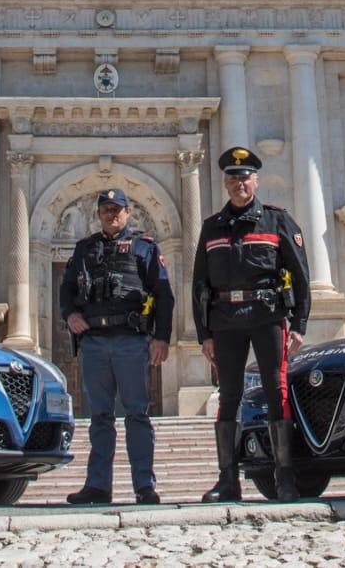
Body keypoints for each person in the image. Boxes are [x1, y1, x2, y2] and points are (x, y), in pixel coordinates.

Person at [192, 146, 310, 502]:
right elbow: (199, 283)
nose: (238, 183)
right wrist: (204, 334)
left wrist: (299, 324)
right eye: (232, 177)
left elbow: (300, 277)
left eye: (244, 177)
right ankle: (228, 481)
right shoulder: (212, 227)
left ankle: (285, 477)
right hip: (225, 322)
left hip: (267, 318)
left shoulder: (277, 221)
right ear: (225, 183)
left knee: (276, 392)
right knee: (228, 396)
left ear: (255, 181)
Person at [58, 188, 173, 505]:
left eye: (117, 209)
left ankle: (144, 486)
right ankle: (97, 485)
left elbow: (163, 296)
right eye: (106, 209)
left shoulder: (144, 248)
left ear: (128, 213)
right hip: (94, 342)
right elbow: (66, 290)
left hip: (130, 340)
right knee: (100, 417)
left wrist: (161, 338)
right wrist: (70, 315)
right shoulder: (84, 249)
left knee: (137, 413)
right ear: (99, 214)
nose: (112, 214)